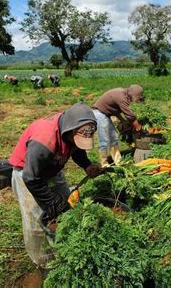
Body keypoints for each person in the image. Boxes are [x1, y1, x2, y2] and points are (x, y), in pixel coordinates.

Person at [8, 102, 102, 267]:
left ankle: (67, 244)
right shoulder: (44, 142)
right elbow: (31, 178)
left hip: (51, 167)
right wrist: (52, 203)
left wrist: (87, 165)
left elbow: (77, 149)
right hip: (28, 173)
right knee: (37, 219)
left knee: (67, 205)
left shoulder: (70, 129)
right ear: (69, 131)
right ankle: (42, 259)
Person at [92, 85, 144, 167]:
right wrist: (138, 127)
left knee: (114, 137)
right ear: (132, 94)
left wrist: (123, 121)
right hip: (99, 113)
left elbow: (115, 110)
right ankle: (104, 163)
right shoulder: (122, 97)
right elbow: (130, 116)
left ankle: (118, 161)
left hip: (105, 113)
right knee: (104, 139)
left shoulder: (124, 94)